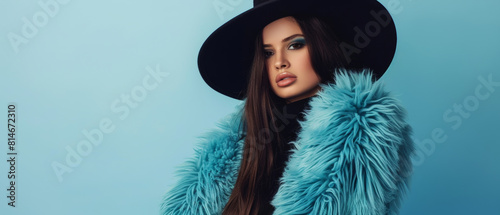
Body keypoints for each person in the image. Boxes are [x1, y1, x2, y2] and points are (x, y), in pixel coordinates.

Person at [161, 0, 415, 214]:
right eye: (268, 52)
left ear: (322, 44)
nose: (280, 62)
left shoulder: (362, 128)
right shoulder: (243, 142)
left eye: (295, 45)